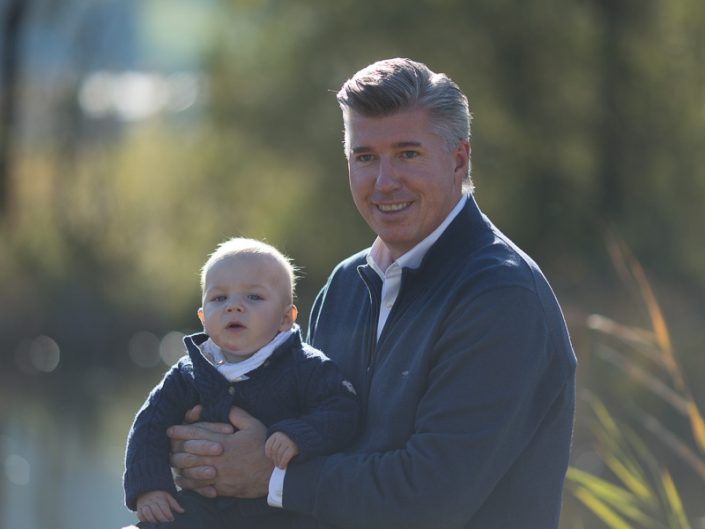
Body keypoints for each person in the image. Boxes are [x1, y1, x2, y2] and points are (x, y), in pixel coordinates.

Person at [166, 58, 577, 529]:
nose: (384, 182)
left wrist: (271, 476)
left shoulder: (501, 297)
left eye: (408, 154)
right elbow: (293, 450)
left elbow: (430, 498)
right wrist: (208, 453)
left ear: (459, 160)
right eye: (365, 157)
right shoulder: (344, 286)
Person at [122, 237, 360, 529]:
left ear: (285, 318)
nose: (234, 307)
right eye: (219, 298)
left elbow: (342, 409)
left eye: (254, 297)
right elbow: (149, 424)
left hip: (281, 508)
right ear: (203, 318)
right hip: (205, 504)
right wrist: (150, 488)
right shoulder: (190, 371)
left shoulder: (305, 366)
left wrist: (297, 435)